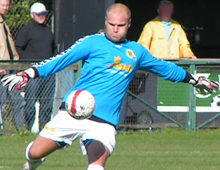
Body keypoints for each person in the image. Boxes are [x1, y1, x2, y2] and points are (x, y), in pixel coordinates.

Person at [1, 3, 218, 170]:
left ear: (129, 24)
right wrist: (30, 73)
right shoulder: (92, 42)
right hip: (72, 114)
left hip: (104, 123)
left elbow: (165, 68)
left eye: (120, 25)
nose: (115, 29)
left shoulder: (137, 52)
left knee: (97, 163)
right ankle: (34, 162)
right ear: (106, 21)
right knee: (34, 153)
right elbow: (61, 60)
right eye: (111, 24)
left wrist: (195, 80)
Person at [15, 2, 56, 131]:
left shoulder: (48, 30)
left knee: (46, 104)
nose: (41, 16)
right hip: (33, 72)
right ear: (32, 15)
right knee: (30, 102)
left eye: (43, 14)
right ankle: (26, 129)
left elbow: (54, 49)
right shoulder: (26, 30)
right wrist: (29, 63)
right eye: (39, 14)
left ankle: (45, 130)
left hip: (48, 72)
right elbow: (18, 47)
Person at [0, 0, 25, 130]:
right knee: (2, 101)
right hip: (2, 68)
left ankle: (20, 128)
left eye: (7, 5)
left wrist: (14, 61)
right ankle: (3, 129)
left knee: (17, 99)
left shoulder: (4, 23)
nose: (5, 8)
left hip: (10, 67)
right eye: (2, 5)